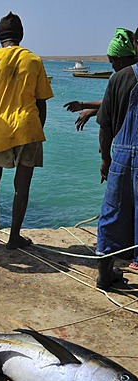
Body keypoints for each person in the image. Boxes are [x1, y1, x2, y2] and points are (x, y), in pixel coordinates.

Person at [0, 12, 53, 248]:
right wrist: (37, 131)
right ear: (21, 36)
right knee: (22, 186)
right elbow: (42, 102)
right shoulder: (34, 60)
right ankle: (14, 237)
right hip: (28, 128)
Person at [95, 28, 138, 289]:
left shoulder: (119, 79)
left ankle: (104, 273)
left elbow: (106, 125)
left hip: (122, 156)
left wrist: (105, 159)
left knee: (112, 213)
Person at [63, 28, 137, 131]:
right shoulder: (126, 78)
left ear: (120, 59)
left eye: (112, 62)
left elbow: (113, 104)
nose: (112, 66)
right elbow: (113, 101)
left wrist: (85, 107)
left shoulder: (124, 79)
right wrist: (87, 108)